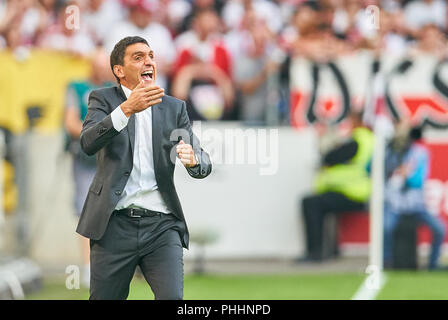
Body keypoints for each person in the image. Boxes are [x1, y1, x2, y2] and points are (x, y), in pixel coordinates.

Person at [76, 36, 212, 300]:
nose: (148, 61)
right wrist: (127, 109)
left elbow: (203, 161)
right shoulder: (102, 99)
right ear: (119, 70)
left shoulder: (174, 108)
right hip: (113, 225)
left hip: (162, 226)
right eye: (138, 57)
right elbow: (88, 142)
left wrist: (194, 161)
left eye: (151, 56)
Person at [64, 47, 113, 288]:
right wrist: (93, 135)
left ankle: (113, 263)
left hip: (110, 159)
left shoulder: (112, 91)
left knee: (113, 210)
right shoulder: (77, 87)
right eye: (99, 64)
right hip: (85, 157)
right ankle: (87, 267)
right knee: (85, 210)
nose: (102, 68)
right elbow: (70, 121)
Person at [298, 111, 374, 262]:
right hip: (352, 192)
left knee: (311, 204)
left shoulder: (358, 140)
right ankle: (330, 250)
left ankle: (315, 252)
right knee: (318, 204)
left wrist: (329, 142)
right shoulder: (366, 139)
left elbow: (331, 157)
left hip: (352, 193)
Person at [383, 124, 446, 270]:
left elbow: (417, 181)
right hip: (394, 205)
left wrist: (405, 174)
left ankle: (433, 263)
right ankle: (387, 262)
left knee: (440, 229)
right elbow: (372, 169)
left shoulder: (419, 153)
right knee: (385, 228)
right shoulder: (388, 152)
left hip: (416, 206)